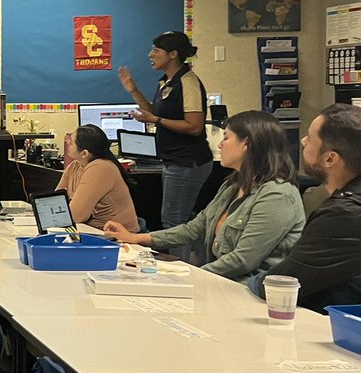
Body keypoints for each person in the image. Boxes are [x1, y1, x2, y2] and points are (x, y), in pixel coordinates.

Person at [104, 110, 304, 281]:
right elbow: (195, 228)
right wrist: (136, 238)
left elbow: (243, 260)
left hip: (251, 292)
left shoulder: (277, 195)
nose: (220, 145)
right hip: (223, 283)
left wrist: (189, 276)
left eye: (226, 137)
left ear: (247, 144)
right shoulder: (233, 184)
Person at [248, 104, 361, 311]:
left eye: (310, 138)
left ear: (330, 158)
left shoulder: (344, 215)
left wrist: (250, 282)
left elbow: (281, 284)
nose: (302, 141)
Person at [117, 31, 215, 256]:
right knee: (184, 219)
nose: (150, 55)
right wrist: (133, 90)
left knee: (174, 220)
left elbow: (194, 126)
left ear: (173, 54)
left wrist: (155, 120)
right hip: (173, 160)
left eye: (156, 50)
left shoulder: (188, 81)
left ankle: (182, 271)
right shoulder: (166, 82)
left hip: (188, 161)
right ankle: (198, 262)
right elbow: (153, 112)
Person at [57, 125, 139, 230]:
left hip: (116, 238)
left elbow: (75, 216)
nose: (67, 143)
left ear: (84, 153)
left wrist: (75, 206)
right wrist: (77, 204)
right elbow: (55, 203)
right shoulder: (74, 166)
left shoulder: (100, 167)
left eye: (71, 142)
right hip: (89, 231)